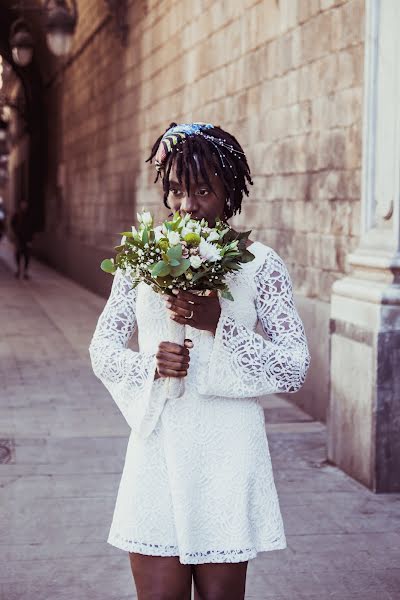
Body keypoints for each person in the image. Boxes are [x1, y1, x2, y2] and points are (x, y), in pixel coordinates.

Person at [89, 122, 311, 600]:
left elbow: (294, 366)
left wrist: (221, 325)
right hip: (159, 446)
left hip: (226, 453)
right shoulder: (138, 258)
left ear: (230, 192)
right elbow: (102, 348)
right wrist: (149, 364)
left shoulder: (261, 265)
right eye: (175, 191)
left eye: (202, 191)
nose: (186, 206)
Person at [10, 201, 33, 279]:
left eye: (25, 204)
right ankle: (18, 269)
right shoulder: (17, 214)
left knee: (27, 255)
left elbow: (32, 228)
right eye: (23, 204)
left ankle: (25, 271)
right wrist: (16, 231)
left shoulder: (29, 215)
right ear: (20, 205)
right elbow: (12, 223)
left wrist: (30, 239)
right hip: (19, 238)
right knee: (18, 254)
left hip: (27, 239)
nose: (24, 206)